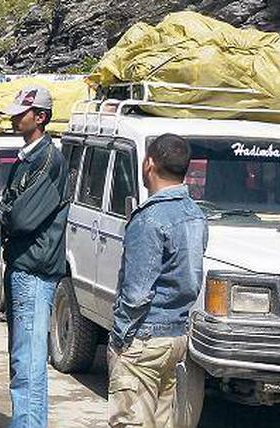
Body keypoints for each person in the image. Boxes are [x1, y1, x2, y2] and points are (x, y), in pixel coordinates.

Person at [108, 134, 207, 428]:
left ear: (148, 164)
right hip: (176, 336)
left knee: (131, 421)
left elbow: (137, 293)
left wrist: (119, 339)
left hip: (144, 338)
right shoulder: (195, 214)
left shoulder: (149, 219)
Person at [0, 86, 70, 428]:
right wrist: (8, 211)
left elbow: (21, 217)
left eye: (21, 113)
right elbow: (11, 208)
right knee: (22, 360)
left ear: (40, 117)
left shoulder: (48, 160)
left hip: (34, 271)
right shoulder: (28, 157)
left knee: (28, 363)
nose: (14, 118)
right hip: (23, 266)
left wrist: (7, 213)